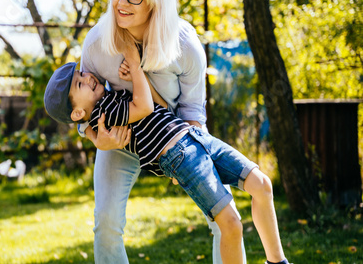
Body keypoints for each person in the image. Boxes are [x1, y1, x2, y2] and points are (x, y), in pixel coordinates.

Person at [61, 0, 246, 263]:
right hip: (120, 139)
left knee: (225, 218)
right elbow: (82, 104)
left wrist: (186, 154)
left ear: (155, 1)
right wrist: (96, 138)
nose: (122, 2)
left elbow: (193, 112)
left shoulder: (184, 45)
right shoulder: (96, 43)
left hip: (173, 138)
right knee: (106, 222)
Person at [44, 35, 291, 264]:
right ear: (77, 113)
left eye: (81, 74)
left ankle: (277, 261)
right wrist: (134, 62)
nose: (88, 77)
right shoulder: (104, 115)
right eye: (79, 83)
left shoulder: (109, 97)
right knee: (231, 224)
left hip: (192, 135)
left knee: (262, 185)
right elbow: (144, 108)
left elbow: (158, 107)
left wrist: (133, 79)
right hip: (179, 154)